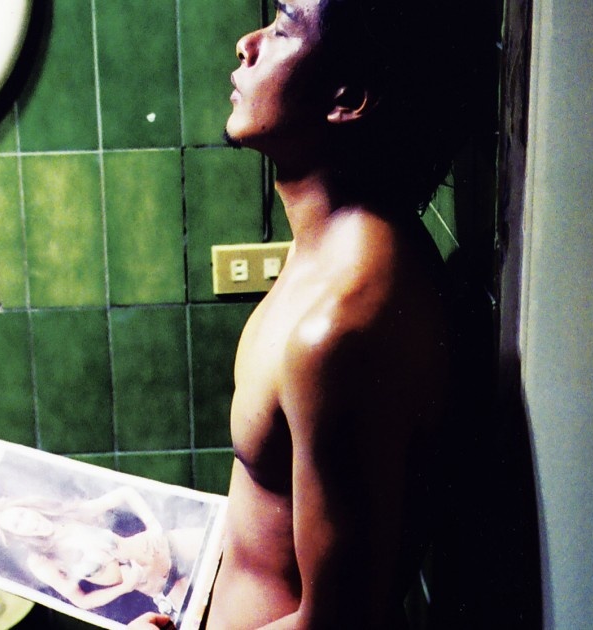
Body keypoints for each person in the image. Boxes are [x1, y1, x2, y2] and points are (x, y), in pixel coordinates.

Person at [134, 1, 490, 628]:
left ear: (347, 98)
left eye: (282, 27)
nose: (247, 44)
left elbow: (338, 624)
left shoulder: (340, 328)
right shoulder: (331, 248)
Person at [0, 486, 205, 622]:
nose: (26, 523)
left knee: (223, 541)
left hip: (166, 546)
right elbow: (82, 601)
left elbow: (125, 493)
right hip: (161, 584)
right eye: (16, 525)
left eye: (21, 515)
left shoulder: (70, 515)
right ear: (16, 535)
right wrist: (125, 587)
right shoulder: (42, 561)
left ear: (27, 507)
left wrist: (153, 524)